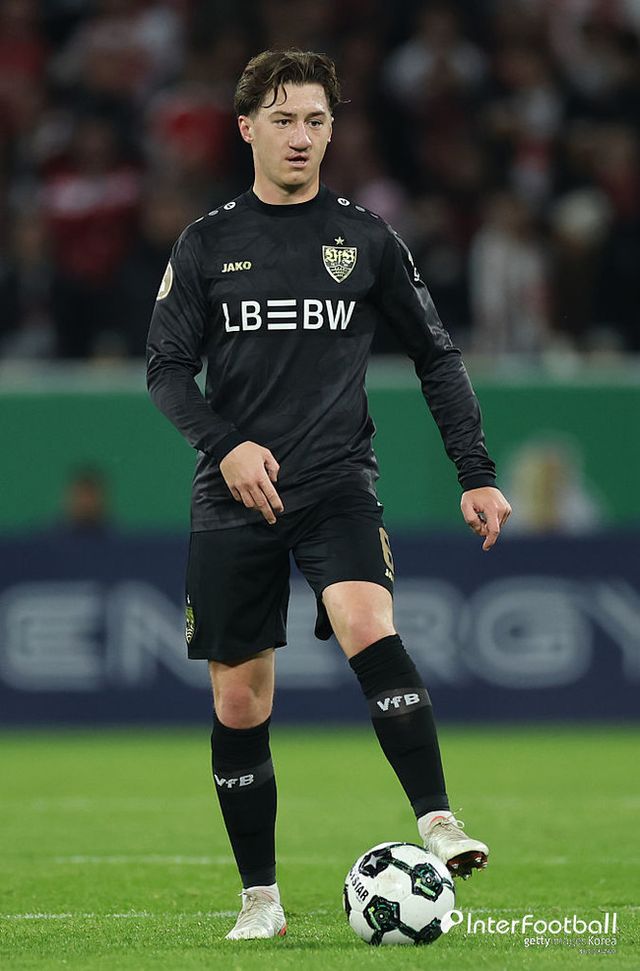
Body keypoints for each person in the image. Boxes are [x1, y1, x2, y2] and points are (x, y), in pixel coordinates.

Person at [146, 49, 511, 941]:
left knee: (365, 620)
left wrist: (475, 471)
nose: (301, 136)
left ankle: (437, 819)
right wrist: (227, 446)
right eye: (283, 120)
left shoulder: (367, 240)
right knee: (241, 703)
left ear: (333, 129)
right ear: (246, 129)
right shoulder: (206, 243)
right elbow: (165, 370)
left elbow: (436, 356)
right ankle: (260, 900)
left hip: (338, 480)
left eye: (315, 120)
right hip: (233, 493)